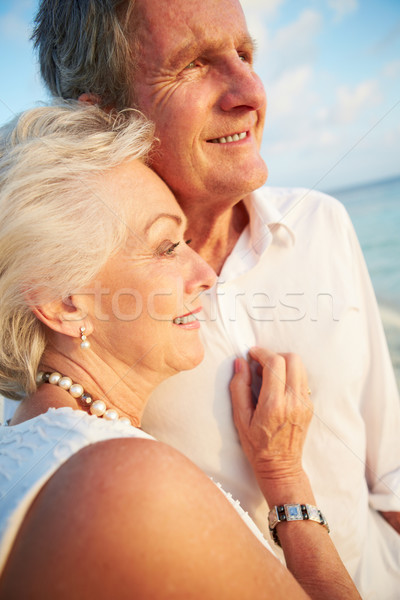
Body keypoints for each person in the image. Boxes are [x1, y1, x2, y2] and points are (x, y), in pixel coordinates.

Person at [7, 0, 400, 596]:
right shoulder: (107, 352)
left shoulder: (324, 222)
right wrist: (285, 479)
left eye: (246, 54)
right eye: (192, 64)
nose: (250, 91)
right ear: (106, 117)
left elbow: (390, 472)